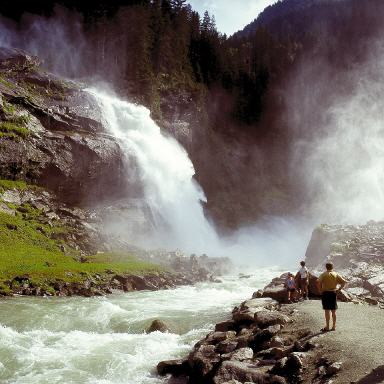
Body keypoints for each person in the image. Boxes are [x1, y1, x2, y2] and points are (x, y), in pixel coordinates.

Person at [316, 262, 347, 332]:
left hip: (326, 293)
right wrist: (339, 289)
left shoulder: (323, 274)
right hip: (333, 293)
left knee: (327, 310)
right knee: (333, 311)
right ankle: (333, 326)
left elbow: (317, 282)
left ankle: (327, 327)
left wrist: (320, 290)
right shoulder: (335, 274)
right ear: (332, 267)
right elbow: (344, 282)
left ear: (326, 267)